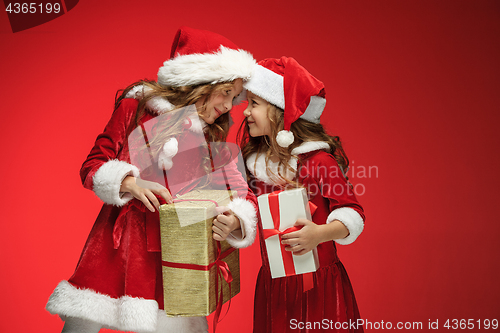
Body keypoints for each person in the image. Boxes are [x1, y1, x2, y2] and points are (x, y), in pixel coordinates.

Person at [46, 27, 258, 333]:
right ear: (199, 82)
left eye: (235, 96)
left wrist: (237, 220)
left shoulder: (212, 134)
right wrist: (129, 182)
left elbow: (242, 193)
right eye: (226, 92)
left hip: (176, 256)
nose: (229, 105)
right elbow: (92, 166)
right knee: (83, 322)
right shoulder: (137, 109)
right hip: (114, 250)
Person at [238, 57, 365, 332]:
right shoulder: (254, 167)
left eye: (254, 104)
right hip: (275, 285)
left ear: (281, 112)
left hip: (319, 285)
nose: (246, 112)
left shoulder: (319, 162)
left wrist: (319, 234)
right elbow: (247, 209)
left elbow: (353, 213)